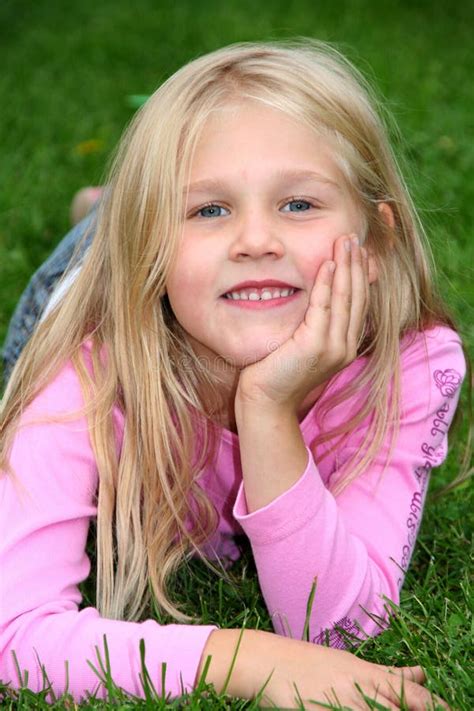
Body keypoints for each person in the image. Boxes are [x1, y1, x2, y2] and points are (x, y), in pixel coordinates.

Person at [0, 39, 467, 709]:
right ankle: (101, 215)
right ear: (149, 252)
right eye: (209, 208)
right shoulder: (89, 361)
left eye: (299, 204)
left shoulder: (412, 362)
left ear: (374, 243)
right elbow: (14, 632)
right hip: (89, 287)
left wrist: (268, 410)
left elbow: (340, 625)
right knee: (95, 241)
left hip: (168, 260)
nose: (256, 239)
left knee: (153, 225)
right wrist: (248, 660)